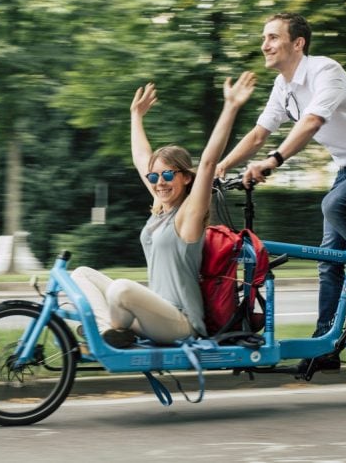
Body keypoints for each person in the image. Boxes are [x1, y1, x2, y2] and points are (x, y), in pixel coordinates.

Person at [216, 13, 346, 375]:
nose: (265, 45)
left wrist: (273, 161)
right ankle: (327, 345)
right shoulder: (283, 86)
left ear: (298, 43)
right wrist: (220, 167)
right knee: (328, 260)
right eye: (264, 38)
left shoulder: (325, 71)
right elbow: (259, 134)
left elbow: (312, 122)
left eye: (273, 37)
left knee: (335, 204)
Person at [70, 71, 257, 349]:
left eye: (168, 176)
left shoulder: (188, 216)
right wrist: (136, 116)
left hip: (181, 323)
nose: (160, 183)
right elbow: (140, 159)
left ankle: (107, 330)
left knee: (121, 288)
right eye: (154, 177)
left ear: (185, 178)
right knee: (81, 274)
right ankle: (109, 330)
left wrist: (230, 107)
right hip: (153, 315)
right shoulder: (160, 207)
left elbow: (207, 163)